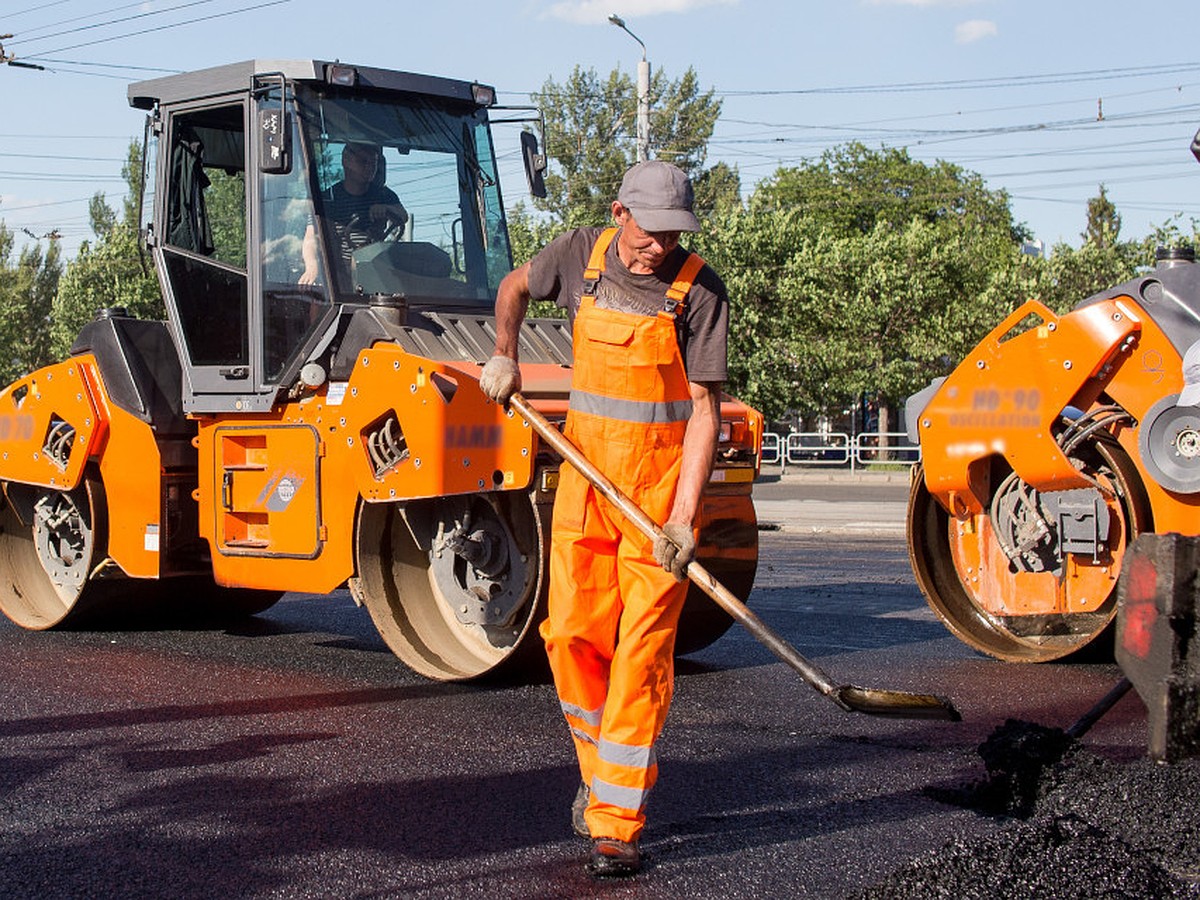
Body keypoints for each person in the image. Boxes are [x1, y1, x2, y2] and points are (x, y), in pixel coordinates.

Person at [479, 161, 729, 878]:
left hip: (656, 499)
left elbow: (705, 412)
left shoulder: (699, 290)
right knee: (573, 637)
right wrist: (505, 357)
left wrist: (682, 520)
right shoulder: (577, 255)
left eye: (674, 236)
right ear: (620, 214)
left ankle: (617, 823)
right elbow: (512, 288)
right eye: (652, 234)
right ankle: (599, 778)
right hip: (586, 485)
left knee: (644, 654)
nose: (662, 249)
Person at [299, 142, 408, 285]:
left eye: (373, 163)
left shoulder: (383, 195)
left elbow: (403, 215)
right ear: (346, 161)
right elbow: (311, 238)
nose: (369, 168)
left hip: (375, 265)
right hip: (337, 273)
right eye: (363, 161)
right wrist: (312, 267)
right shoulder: (328, 199)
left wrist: (387, 208)